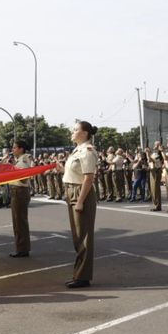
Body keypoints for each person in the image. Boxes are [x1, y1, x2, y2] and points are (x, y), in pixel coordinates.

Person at [54, 120, 98, 289]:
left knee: (83, 237)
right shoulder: (77, 151)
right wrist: (62, 170)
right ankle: (79, 273)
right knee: (77, 236)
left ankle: (83, 276)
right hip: (72, 190)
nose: (72, 132)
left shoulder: (87, 151)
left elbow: (88, 178)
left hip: (81, 193)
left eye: (75, 130)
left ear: (85, 133)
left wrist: (80, 201)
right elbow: (76, 172)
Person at [8, 140, 32, 258]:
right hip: (17, 191)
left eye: (14, 148)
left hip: (19, 192)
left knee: (19, 222)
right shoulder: (19, 161)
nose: (12, 150)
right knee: (18, 222)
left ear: (21, 149)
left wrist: (14, 172)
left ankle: (22, 249)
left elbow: (24, 179)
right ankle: (22, 248)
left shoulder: (22, 161)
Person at [149, 141, 163, 211]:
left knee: (156, 189)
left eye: (156, 145)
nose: (155, 146)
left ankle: (157, 205)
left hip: (156, 171)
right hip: (152, 170)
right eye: (154, 144)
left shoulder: (160, 153)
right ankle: (155, 204)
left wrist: (147, 153)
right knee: (152, 189)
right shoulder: (154, 153)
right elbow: (149, 160)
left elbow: (154, 160)